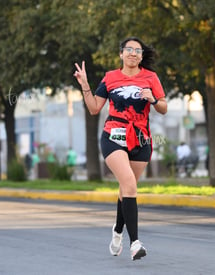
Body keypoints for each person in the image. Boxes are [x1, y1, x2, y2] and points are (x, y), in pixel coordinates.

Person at [73, 37, 167, 260]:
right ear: (121, 54)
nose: (133, 53)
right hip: (114, 136)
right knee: (130, 185)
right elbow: (95, 108)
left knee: (125, 189)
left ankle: (117, 231)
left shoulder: (151, 77)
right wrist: (85, 85)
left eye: (137, 50)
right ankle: (135, 243)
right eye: (129, 49)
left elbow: (163, 107)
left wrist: (153, 99)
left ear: (141, 56)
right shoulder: (110, 77)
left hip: (141, 139)